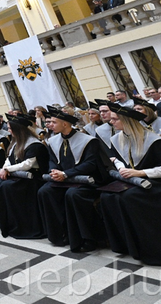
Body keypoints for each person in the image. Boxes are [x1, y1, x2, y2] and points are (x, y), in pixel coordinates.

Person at [100, 103, 161, 266]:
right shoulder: (117, 138)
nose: (111, 122)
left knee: (131, 197)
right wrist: (121, 168)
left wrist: (141, 173)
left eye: (115, 119)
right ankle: (128, 246)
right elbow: (118, 159)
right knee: (107, 196)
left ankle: (151, 248)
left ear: (127, 121)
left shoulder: (155, 141)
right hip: (135, 181)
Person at [36, 107, 111, 252]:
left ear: (65, 124)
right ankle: (61, 234)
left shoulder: (88, 141)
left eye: (54, 122)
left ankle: (88, 239)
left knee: (73, 195)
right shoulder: (53, 141)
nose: (50, 125)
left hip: (86, 180)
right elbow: (52, 160)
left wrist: (66, 174)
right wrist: (54, 171)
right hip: (64, 179)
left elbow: (90, 164)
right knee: (45, 191)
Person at [0, 114, 49, 239]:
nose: (8, 131)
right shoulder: (16, 143)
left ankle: (25, 227)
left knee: (8, 187)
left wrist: (8, 169)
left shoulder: (34, 144)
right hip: (20, 176)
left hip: (33, 179)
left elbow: (28, 164)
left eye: (10, 128)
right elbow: (9, 159)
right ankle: (11, 225)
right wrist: (4, 168)